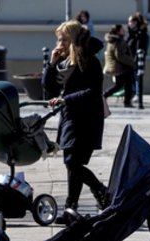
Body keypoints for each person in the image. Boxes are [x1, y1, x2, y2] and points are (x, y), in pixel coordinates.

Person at [42, 20, 110, 224]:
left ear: (73, 41)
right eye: (58, 40)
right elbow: (49, 89)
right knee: (73, 164)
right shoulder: (63, 63)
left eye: (63, 40)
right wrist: (51, 65)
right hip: (70, 117)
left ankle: (99, 191)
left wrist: (66, 99)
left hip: (87, 118)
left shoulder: (88, 61)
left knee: (73, 162)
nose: (59, 44)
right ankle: (72, 209)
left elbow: (93, 92)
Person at [102, 24, 136, 108]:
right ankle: (127, 102)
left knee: (119, 85)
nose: (124, 31)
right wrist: (131, 62)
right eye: (122, 30)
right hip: (122, 67)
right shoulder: (118, 41)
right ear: (117, 31)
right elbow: (120, 55)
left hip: (118, 67)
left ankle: (104, 95)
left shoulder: (113, 40)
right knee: (127, 84)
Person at [127, 12, 149, 102]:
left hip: (136, 58)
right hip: (130, 58)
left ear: (135, 23)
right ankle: (132, 94)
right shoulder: (132, 33)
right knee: (132, 77)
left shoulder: (140, 34)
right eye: (129, 22)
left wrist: (137, 58)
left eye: (130, 22)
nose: (129, 24)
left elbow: (140, 48)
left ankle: (138, 95)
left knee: (137, 76)